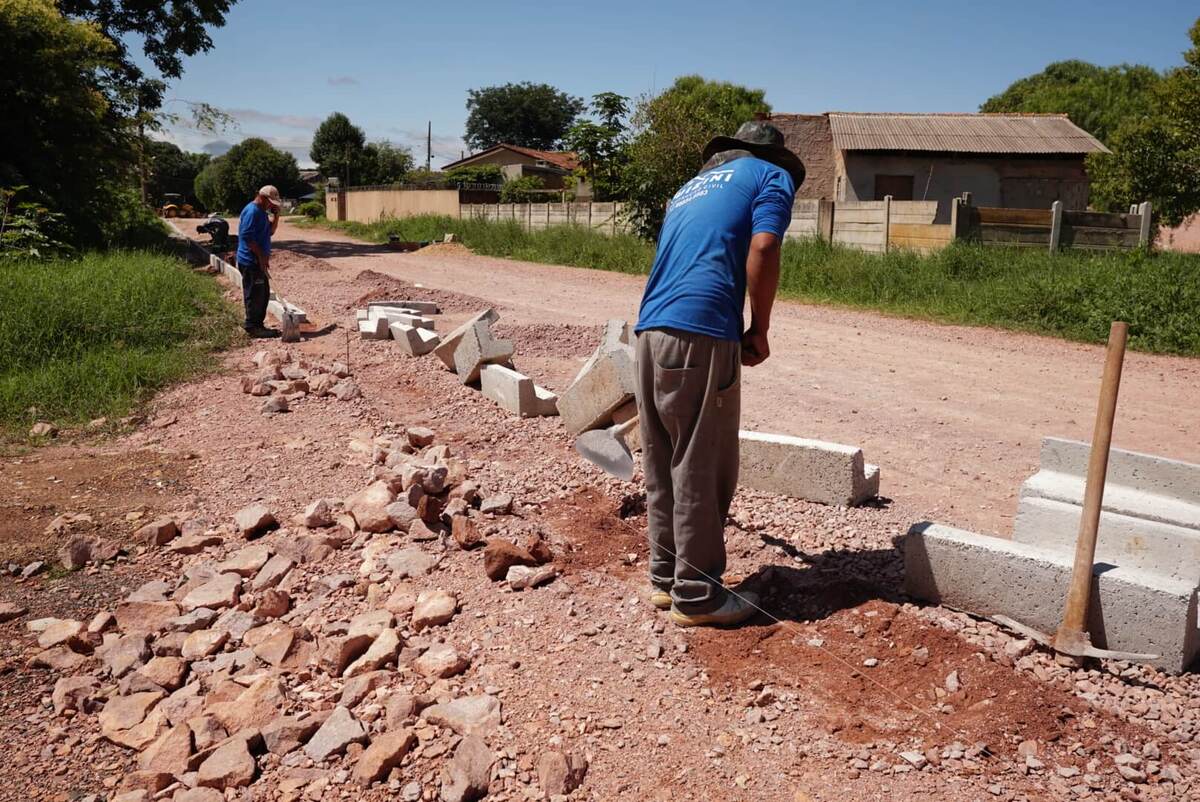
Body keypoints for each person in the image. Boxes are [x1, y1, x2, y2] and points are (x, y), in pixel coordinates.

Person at [633, 121, 804, 628]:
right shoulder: (770, 177)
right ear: (775, 158)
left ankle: (666, 579)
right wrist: (761, 328)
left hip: (649, 328)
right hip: (703, 330)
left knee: (664, 457)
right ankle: (698, 595)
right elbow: (765, 247)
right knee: (702, 463)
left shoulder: (688, 189)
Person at [236, 185, 283, 337]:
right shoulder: (252, 211)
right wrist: (261, 257)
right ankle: (252, 327)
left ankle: (258, 325)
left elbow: (270, 231)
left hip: (257, 261)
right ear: (261, 197)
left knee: (262, 294)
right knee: (255, 294)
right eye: (270, 202)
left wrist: (276, 216)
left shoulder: (262, 213)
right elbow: (247, 237)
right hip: (250, 261)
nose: (272, 205)